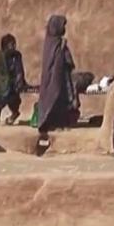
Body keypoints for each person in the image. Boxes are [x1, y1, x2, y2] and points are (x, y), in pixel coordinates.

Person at [35, 15, 79, 151]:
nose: (64, 29)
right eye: (63, 26)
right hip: (53, 77)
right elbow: (52, 62)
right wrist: (62, 49)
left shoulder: (58, 42)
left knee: (62, 99)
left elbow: (67, 62)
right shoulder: (52, 43)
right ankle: (47, 124)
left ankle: (59, 122)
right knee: (52, 96)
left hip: (62, 76)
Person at [0, 34, 28, 126]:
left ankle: (14, 114)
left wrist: (19, 80)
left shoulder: (17, 56)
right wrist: (5, 81)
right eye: (12, 44)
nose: (14, 46)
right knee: (1, 95)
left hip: (12, 84)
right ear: (5, 46)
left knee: (14, 95)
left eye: (14, 44)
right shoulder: (0, 57)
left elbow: (19, 70)